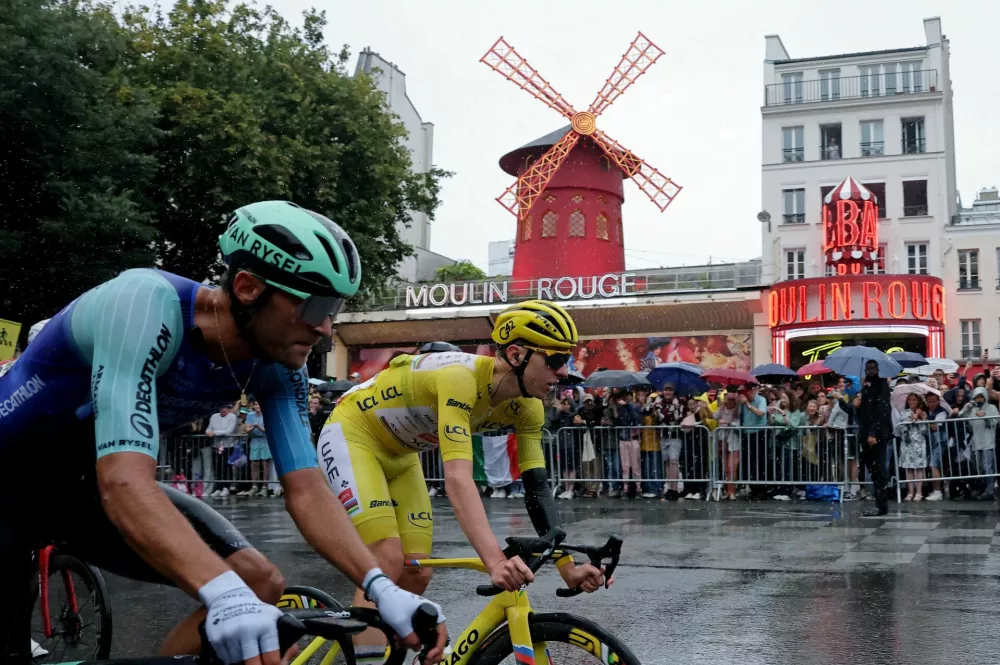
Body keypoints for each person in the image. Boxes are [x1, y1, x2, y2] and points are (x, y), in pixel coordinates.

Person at [0, 201, 446, 664]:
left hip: (83, 486)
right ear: (248, 287)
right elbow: (124, 480)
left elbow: (308, 490)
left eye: (334, 308)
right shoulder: (142, 304)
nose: (325, 326)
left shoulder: (277, 364)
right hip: (12, 478)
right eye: (315, 305)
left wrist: (382, 588)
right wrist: (223, 594)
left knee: (257, 583)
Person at [316, 299, 609, 664]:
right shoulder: (460, 379)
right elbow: (457, 480)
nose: (565, 372)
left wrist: (568, 567)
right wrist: (494, 562)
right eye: (554, 360)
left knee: (414, 570)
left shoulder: (528, 406)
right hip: (353, 434)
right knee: (386, 557)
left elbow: (536, 487)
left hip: (402, 455)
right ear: (516, 354)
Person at [857, 359, 893, 516]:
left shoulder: (882, 386)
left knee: (879, 470)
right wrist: (855, 405)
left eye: (873, 368)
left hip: (877, 434)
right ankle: (879, 503)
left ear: (878, 369)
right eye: (868, 368)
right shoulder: (866, 388)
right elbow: (863, 414)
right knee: (872, 469)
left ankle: (881, 505)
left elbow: (881, 412)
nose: (870, 371)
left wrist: (873, 433)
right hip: (866, 433)